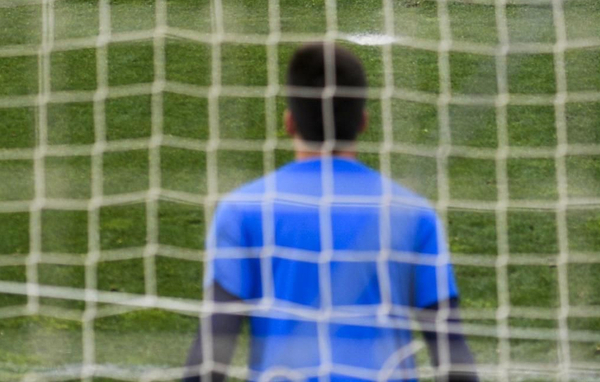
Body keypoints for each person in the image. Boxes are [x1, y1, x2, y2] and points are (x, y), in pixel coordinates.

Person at [185, 41, 477, 382]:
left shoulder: (244, 210)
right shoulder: (412, 215)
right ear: (363, 122)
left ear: (290, 122)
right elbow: (452, 354)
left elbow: (211, 354)